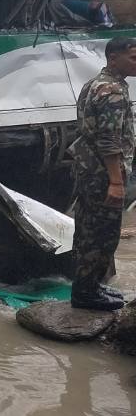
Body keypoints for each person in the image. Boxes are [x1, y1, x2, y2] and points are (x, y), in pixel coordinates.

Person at [69, 36, 136, 310]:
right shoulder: (112, 91)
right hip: (103, 175)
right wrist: (117, 182)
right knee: (103, 234)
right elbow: (109, 140)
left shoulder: (94, 83)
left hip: (88, 170)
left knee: (86, 230)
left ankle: (89, 287)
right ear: (113, 58)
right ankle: (86, 294)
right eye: (133, 57)